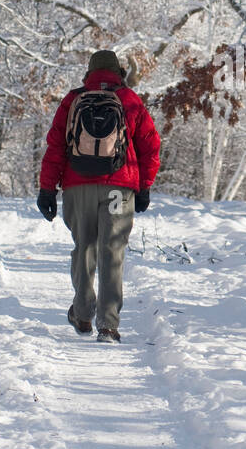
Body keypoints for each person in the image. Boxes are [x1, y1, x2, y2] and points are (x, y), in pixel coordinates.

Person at [36, 50, 160, 342]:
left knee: (85, 247)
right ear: (119, 71)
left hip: (78, 187)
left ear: (89, 72)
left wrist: (47, 189)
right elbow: (150, 146)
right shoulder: (129, 100)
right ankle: (108, 324)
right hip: (119, 186)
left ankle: (81, 312)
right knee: (112, 250)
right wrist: (144, 186)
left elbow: (55, 145)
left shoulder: (73, 99)